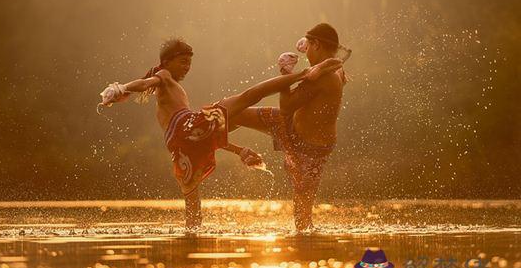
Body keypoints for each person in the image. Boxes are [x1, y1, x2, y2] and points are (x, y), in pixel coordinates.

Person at [99, 38, 342, 230]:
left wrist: (239, 151)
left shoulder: (165, 93)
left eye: (189, 63)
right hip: (187, 124)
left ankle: (191, 243)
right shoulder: (163, 76)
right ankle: (300, 74)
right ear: (167, 62)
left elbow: (201, 138)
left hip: (179, 145)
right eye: (183, 62)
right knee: (248, 97)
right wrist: (121, 87)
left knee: (193, 209)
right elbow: (143, 84)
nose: (187, 67)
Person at [229, 23, 348, 232]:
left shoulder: (325, 75)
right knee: (235, 114)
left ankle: (307, 250)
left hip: (310, 149)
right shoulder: (334, 68)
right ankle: (208, 133)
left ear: (317, 45)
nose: (306, 53)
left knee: (303, 219)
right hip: (291, 126)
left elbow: (285, 106)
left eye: (309, 47)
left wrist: (285, 73)